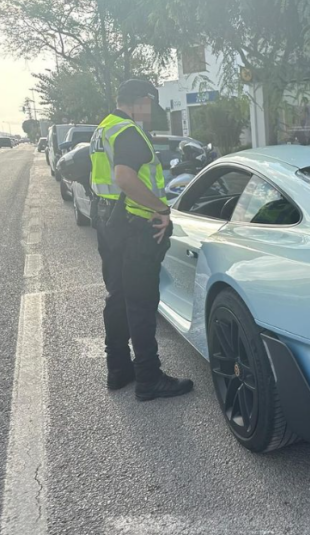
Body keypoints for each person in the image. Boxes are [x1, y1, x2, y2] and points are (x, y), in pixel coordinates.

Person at [90, 79, 194, 399]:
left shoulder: (103, 128)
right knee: (141, 300)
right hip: (134, 225)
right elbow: (124, 176)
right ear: (138, 101)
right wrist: (162, 208)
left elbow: (102, 176)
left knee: (118, 296)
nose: (150, 109)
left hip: (108, 220)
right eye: (149, 102)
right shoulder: (130, 132)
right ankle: (149, 377)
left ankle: (118, 370)